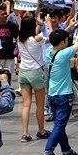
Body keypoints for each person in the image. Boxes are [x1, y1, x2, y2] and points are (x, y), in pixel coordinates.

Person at [42, 21, 78, 155]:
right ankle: (48, 151)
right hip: (63, 95)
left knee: (59, 124)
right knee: (60, 125)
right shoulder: (63, 54)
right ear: (62, 42)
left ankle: (66, 149)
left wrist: (70, 27)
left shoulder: (48, 52)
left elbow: (55, 36)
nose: (67, 42)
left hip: (52, 95)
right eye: (66, 41)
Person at [16, 15, 50, 143]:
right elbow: (49, 37)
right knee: (40, 105)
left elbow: (32, 34)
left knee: (26, 105)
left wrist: (38, 25)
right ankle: (41, 130)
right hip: (36, 72)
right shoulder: (38, 39)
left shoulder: (19, 39)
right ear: (32, 26)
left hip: (23, 72)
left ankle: (25, 133)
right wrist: (45, 24)